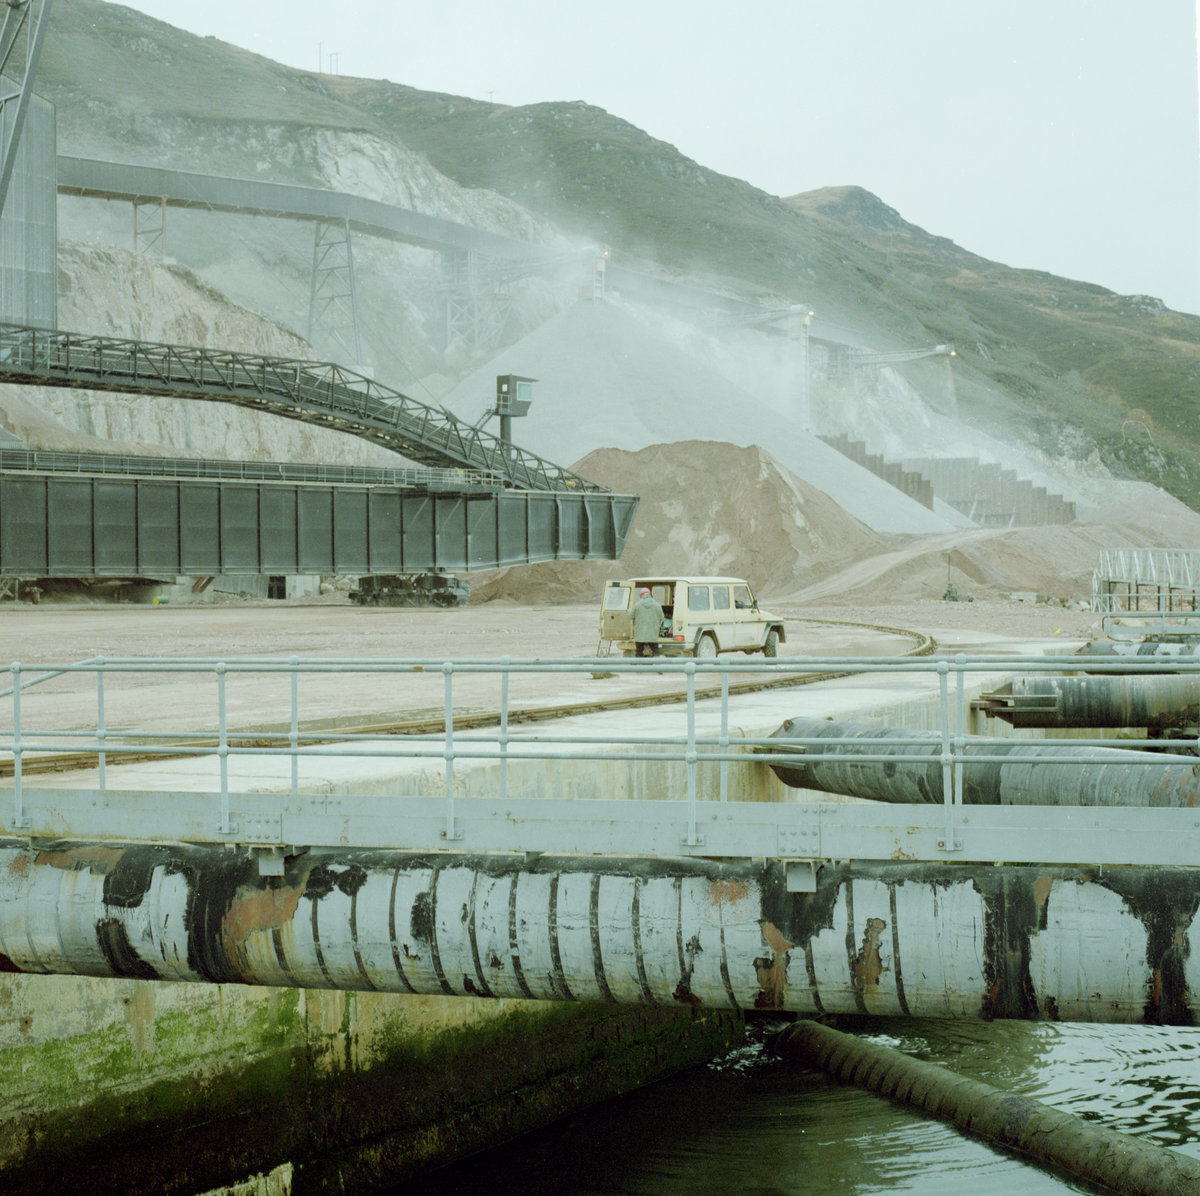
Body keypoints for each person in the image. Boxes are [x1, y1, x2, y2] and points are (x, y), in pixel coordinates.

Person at [631, 587, 664, 657]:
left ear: (641, 595)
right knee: (655, 652)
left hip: (640, 635)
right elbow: (662, 618)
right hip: (653, 634)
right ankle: (657, 665)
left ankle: (640, 666)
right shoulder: (657, 605)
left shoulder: (637, 605)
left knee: (639, 652)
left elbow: (630, 616)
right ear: (650, 594)